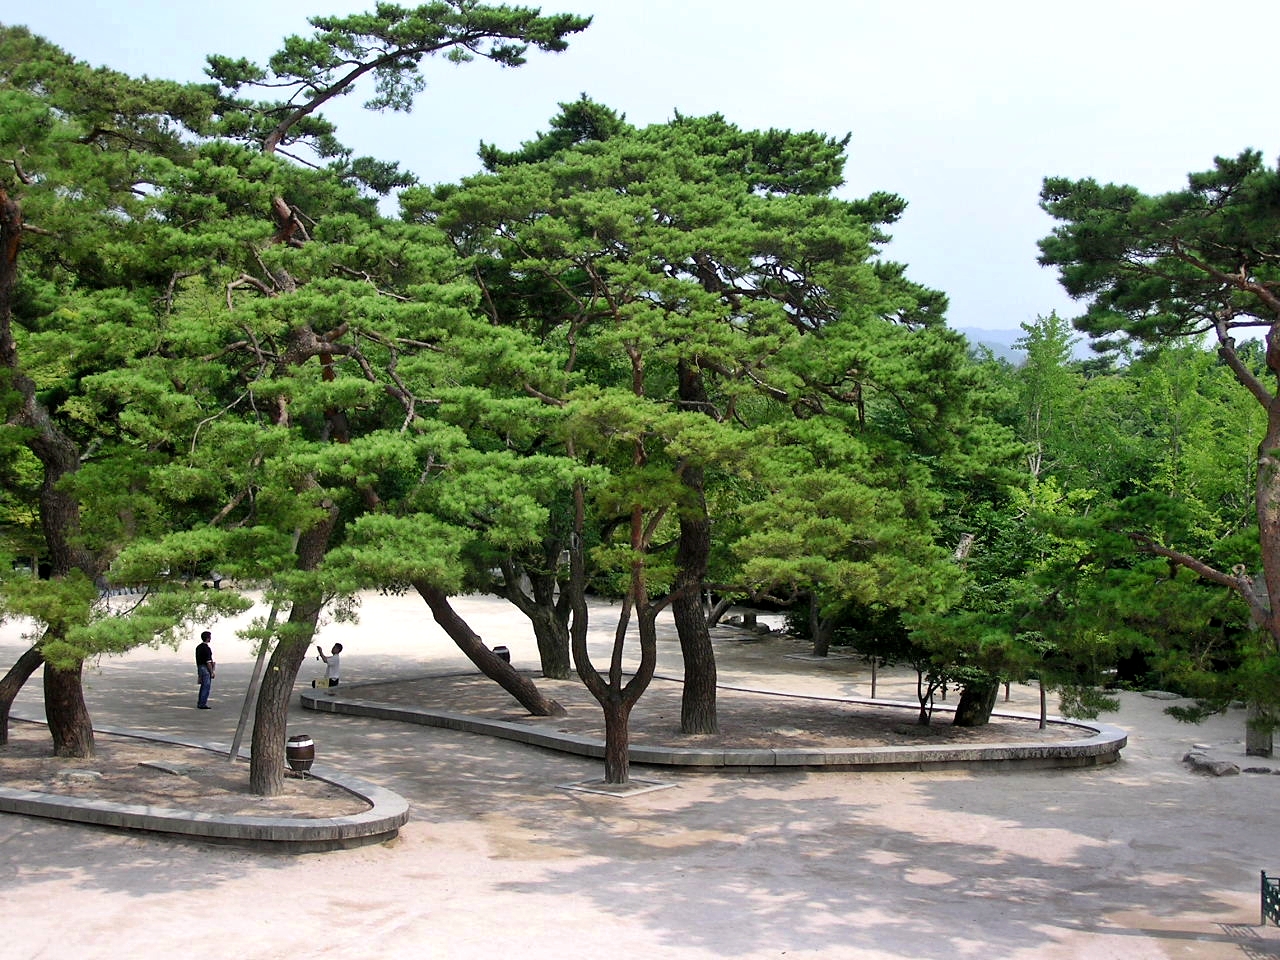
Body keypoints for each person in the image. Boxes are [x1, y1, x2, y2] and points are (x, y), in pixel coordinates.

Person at [195, 630, 215, 709]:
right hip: (205, 668)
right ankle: (202, 703)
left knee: (203, 686)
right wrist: (212, 672)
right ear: (207, 638)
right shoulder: (207, 648)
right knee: (206, 686)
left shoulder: (198, 647)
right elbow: (208, 662)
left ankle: (200, 702)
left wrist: (199, 675)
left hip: (200, 667)